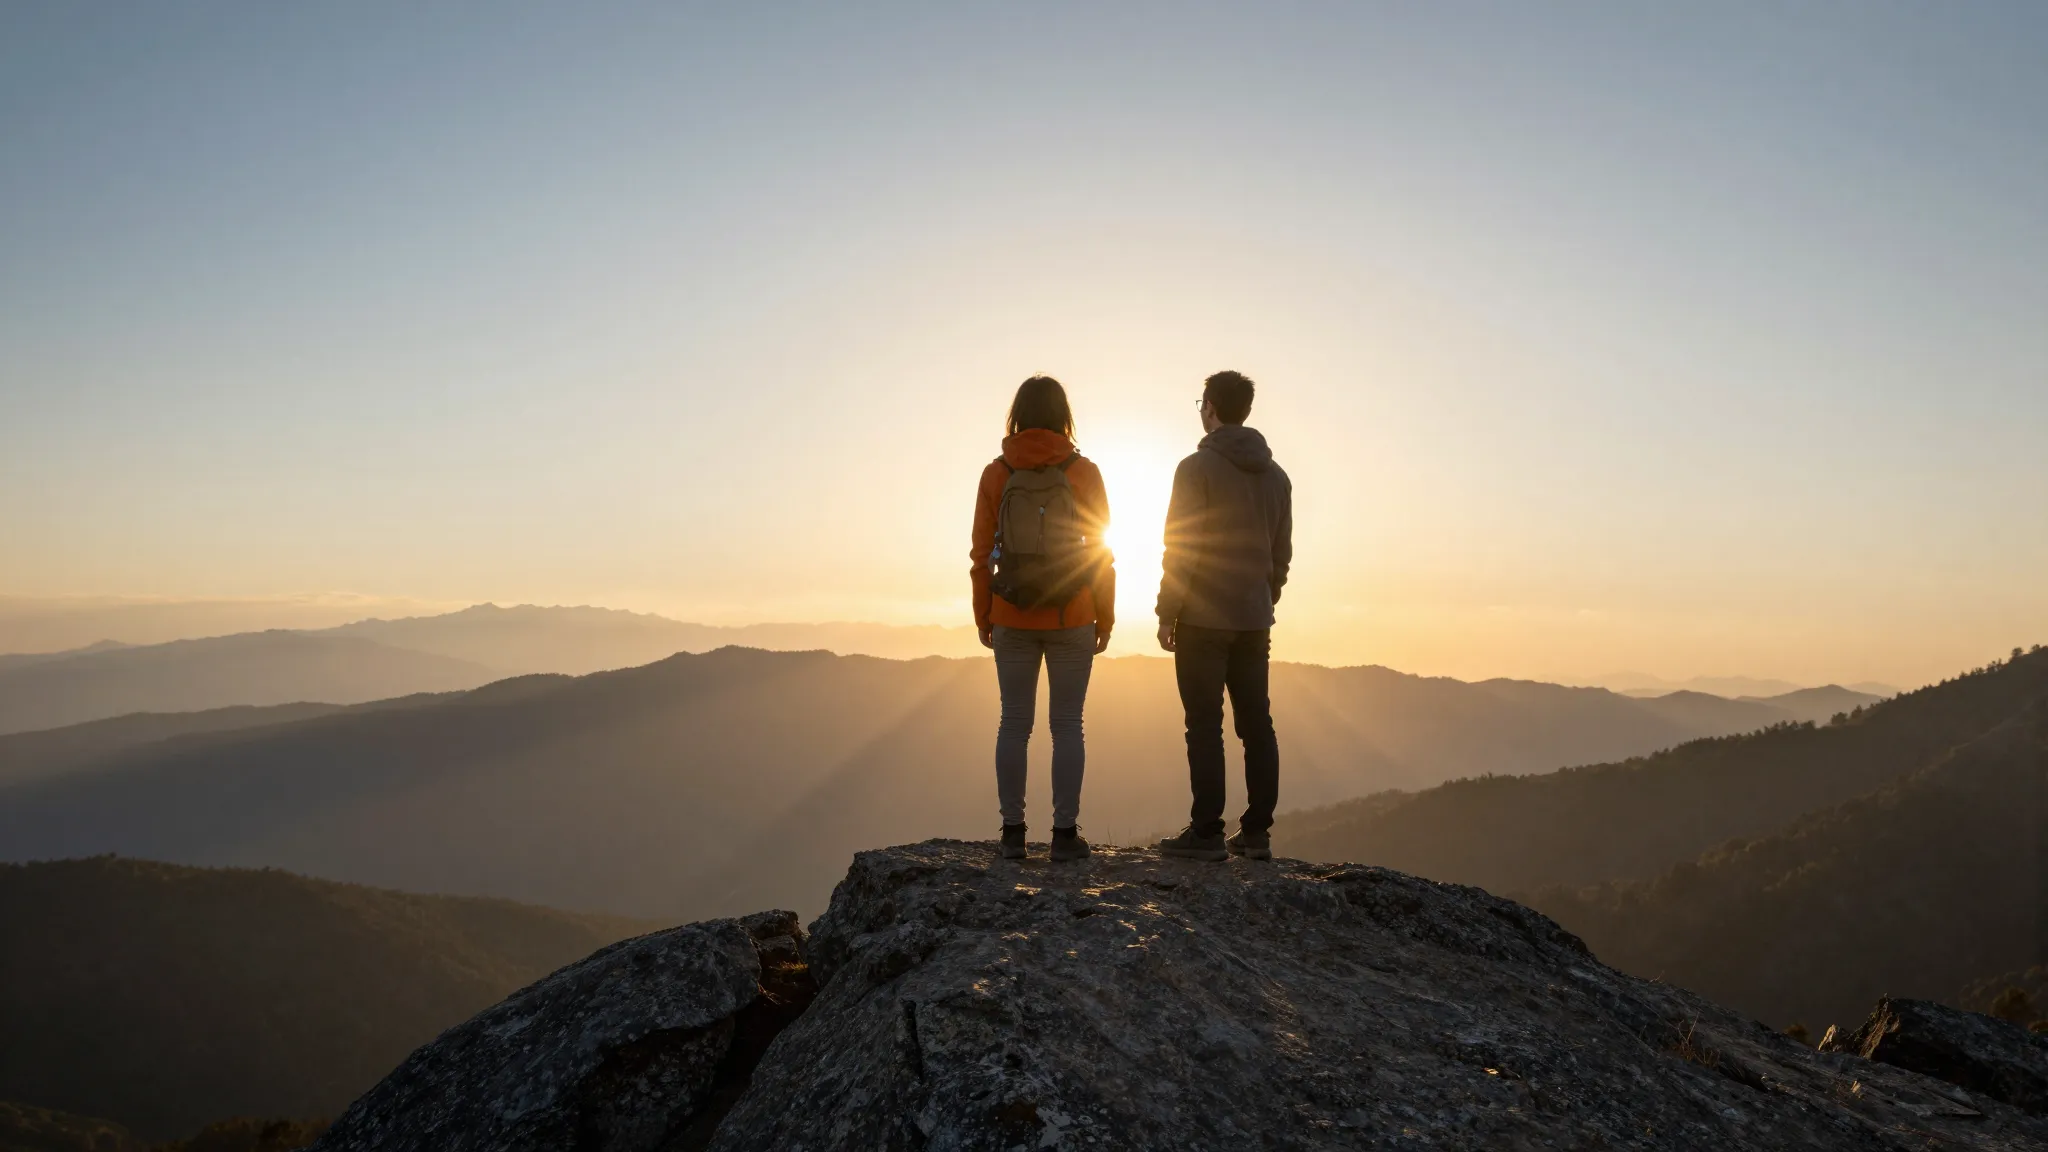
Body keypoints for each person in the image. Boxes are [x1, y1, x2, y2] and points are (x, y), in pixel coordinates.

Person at [970, 375, 1115, 862]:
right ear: (1063, 416)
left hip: (1011, 612)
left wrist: (983, 614)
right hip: (1072, 612)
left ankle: (1012, 834)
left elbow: (979, 555)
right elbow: (1101, 554)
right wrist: (1105, 616)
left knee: (1013, 724)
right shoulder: (1084, 472)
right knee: (1067, 724)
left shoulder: (997, 473)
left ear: (1017, 415)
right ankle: (1064, 835)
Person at [1155, 370, 1292, 862]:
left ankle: (1207, 831)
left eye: (1201, 402)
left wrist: (1166, 611)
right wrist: (1263, 597)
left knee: (1205, 725)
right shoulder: (1277, 477)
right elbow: (1282, 555)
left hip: (1202, 620)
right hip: (1254, 620)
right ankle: (1257, 832)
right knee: (1257, 723)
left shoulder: (1195, 469)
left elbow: (1182, 548)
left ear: (1210, 408)